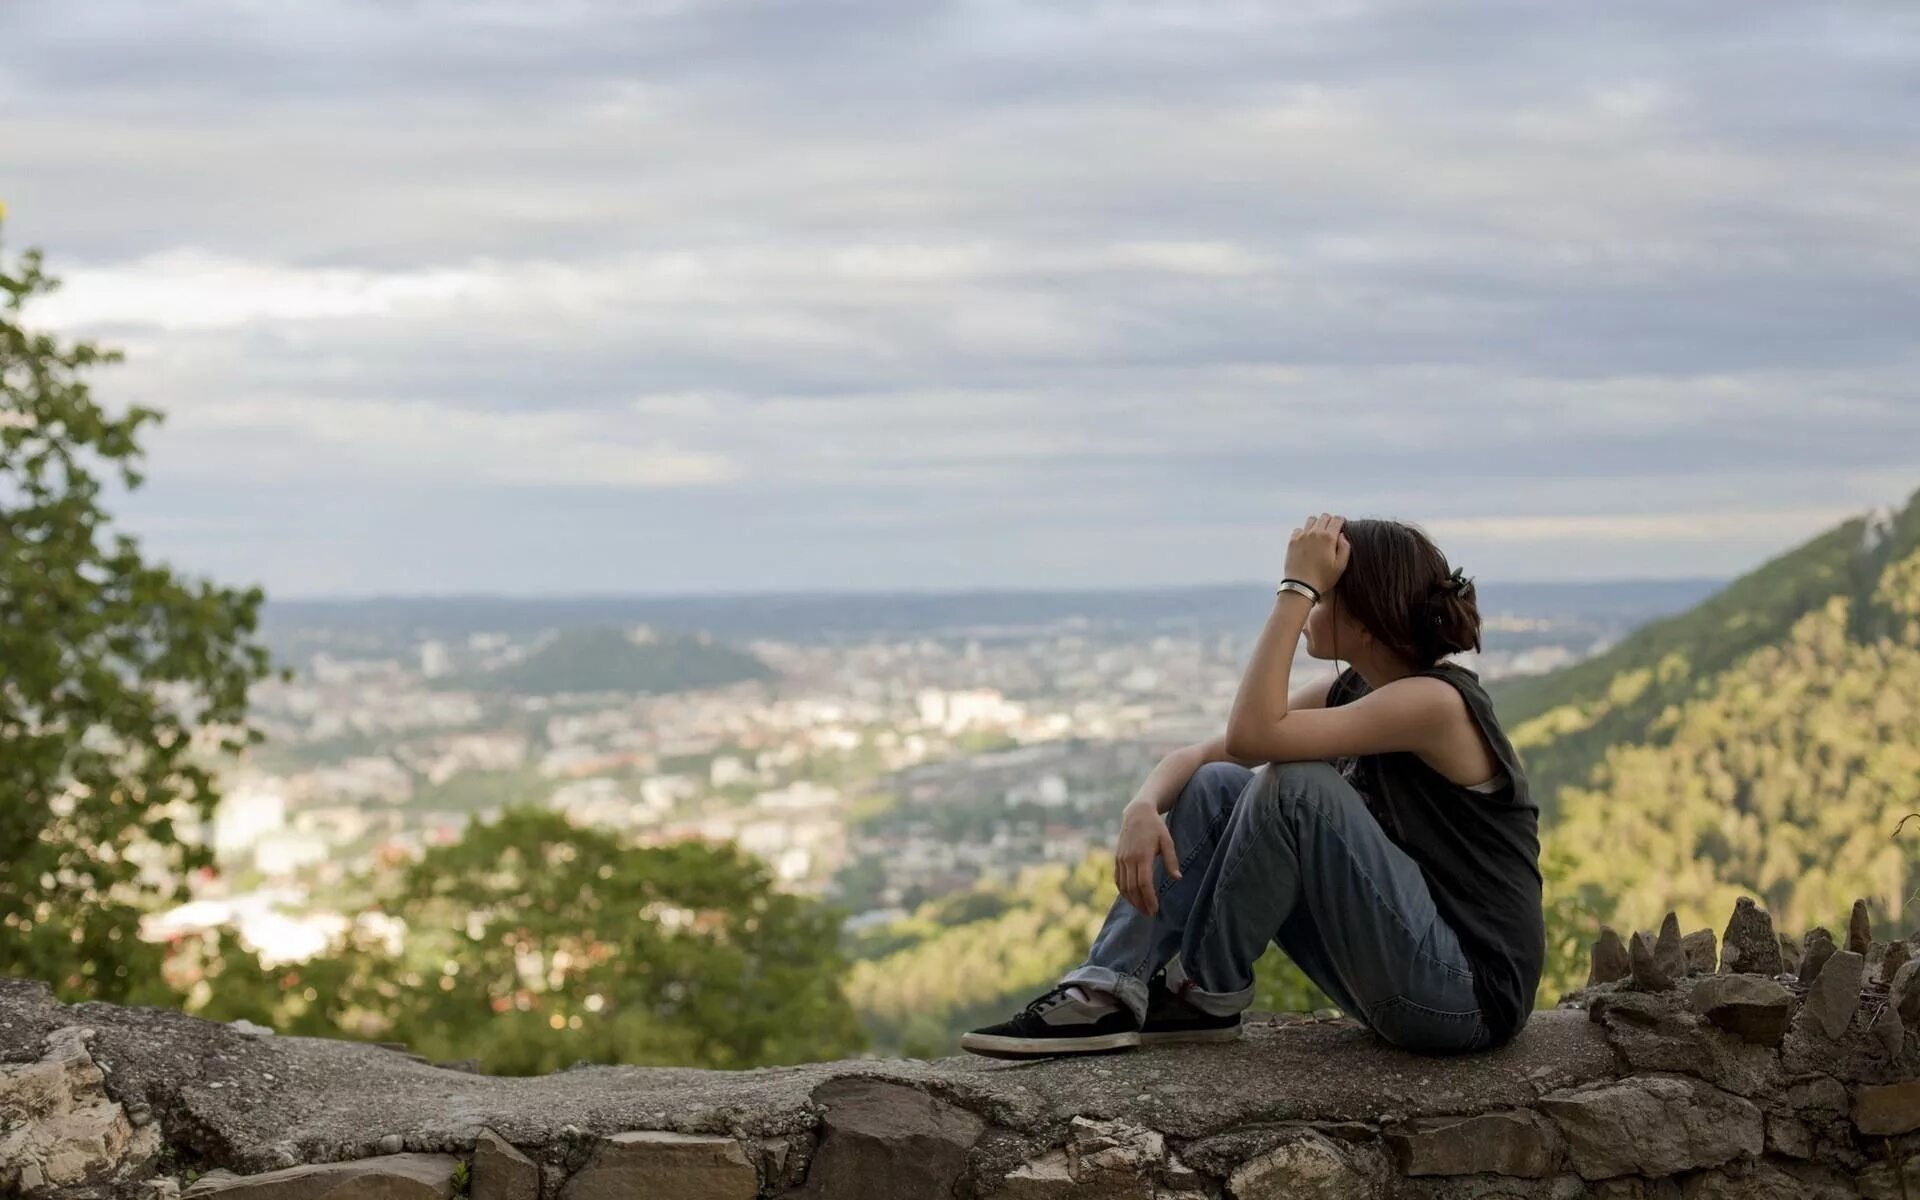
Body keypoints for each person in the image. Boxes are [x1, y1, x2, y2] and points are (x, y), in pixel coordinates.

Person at [960, 513, 1544, 1059]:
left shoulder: (1436, 702)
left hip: (1466, 999)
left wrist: (1294, 589)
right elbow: (1210, 753)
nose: (1312, 607)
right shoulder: (1357, 691)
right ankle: (1106, 991)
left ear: (1361, 618)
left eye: (1324, 596)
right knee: (1217, 784)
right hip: (1404, 974)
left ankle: (1201, 995)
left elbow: (1254, 735)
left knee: (1295, 786)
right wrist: (1141, 806)